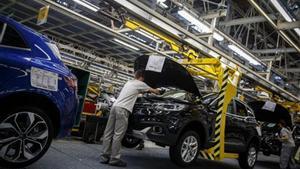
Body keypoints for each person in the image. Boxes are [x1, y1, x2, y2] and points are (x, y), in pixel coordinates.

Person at [100, 70, 162, 167]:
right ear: (142, 77)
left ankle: (104, 157)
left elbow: (135, 93)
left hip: (115, 107)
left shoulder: (129, 82)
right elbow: (155, 91)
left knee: (108, 133)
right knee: (118, 135)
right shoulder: (141, 83)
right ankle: (114, 159)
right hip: (123, 109)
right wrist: (160, 91)